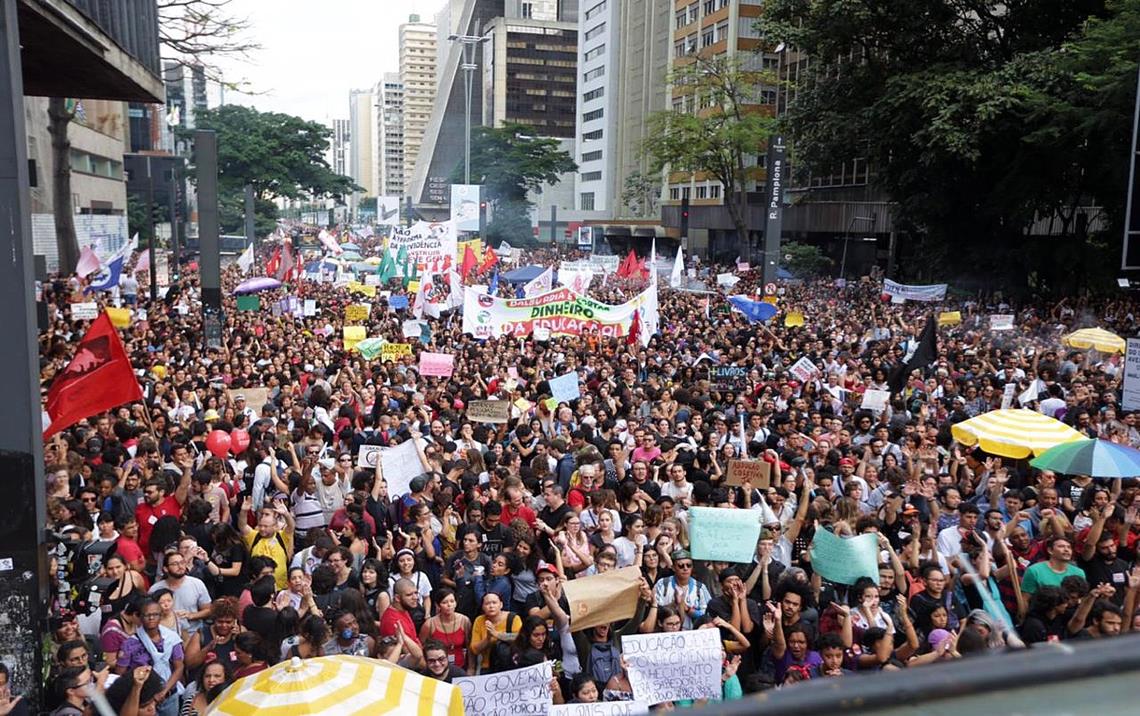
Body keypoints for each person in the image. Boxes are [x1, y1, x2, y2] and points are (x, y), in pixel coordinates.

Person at [114, 597, 184, 716]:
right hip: (143, 701)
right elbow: (120, 673)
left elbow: (179, 667)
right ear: (140, 617)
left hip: (169, 696)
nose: (151, 618)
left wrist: (163, 692)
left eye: (155, 614)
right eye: (147, 615)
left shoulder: (172, 638)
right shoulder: (130, 643)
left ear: (160, 616)